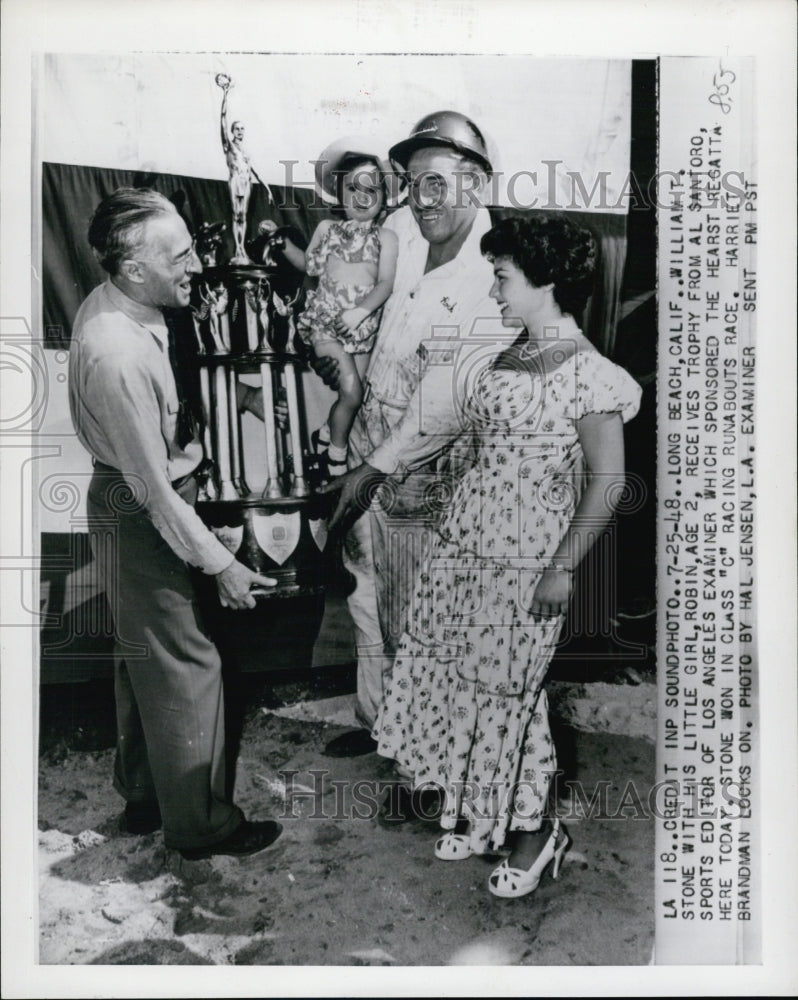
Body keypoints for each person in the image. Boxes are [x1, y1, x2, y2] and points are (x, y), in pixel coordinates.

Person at [373, 214, 642, 896]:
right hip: (468, 546)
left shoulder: (592, 375)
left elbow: (608, 483)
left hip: (529, 559)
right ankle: (480, 812)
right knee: (462, 677)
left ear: (545, 280)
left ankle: (535, 835)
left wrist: (562, 568)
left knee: (513, 695)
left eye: (502, 276)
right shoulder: (507, 355)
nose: (493, 289)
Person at [69, 187, 283, 860]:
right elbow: (157, 494)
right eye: (182, 254)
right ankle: (201, 827)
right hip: (141, 507)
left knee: (144, 658)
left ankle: (146, 799)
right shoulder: (116, 353)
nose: (196, 263)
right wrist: (222, 565)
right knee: (191, 662)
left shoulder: (133, 304)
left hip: (129, 495)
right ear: (135, 268)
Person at [318, 111, 507, 760]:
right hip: (370, 455)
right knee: (367, 600)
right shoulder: (402, 228)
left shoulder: (493, 276)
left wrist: (370, 472)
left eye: (434, 184)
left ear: (476, 184)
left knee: (428, 623)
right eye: (411, 182)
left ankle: (429, 767)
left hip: (431, 479)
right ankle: (379, 725)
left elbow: (447, 401)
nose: (418, 199)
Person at [281, 140, 398, 478]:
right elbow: (308, 265)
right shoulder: (326, 230)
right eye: (352, 188)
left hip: (361, 329)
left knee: (353, 399)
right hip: (327, 325)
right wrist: (281, 242)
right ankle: (336, 455)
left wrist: (360, 312)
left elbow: (385, 284)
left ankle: (323, 435)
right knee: (351, 391)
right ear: (339, 192)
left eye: (371, 189)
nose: (362, 197)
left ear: (383, 196)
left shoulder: (386, 238)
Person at [216, 73, 273, 264]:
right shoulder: (229, 147)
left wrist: (267, 189)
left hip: (246, 183)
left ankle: (243, 250)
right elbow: (223, 120)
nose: (240, 131)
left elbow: (255, 171)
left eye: (242, 129)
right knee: (236, 215)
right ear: (232, 132)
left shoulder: (246, 152)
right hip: (235, 182)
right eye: (237, 128)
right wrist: (225, 95)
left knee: (243, 216)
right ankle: (238, 248)